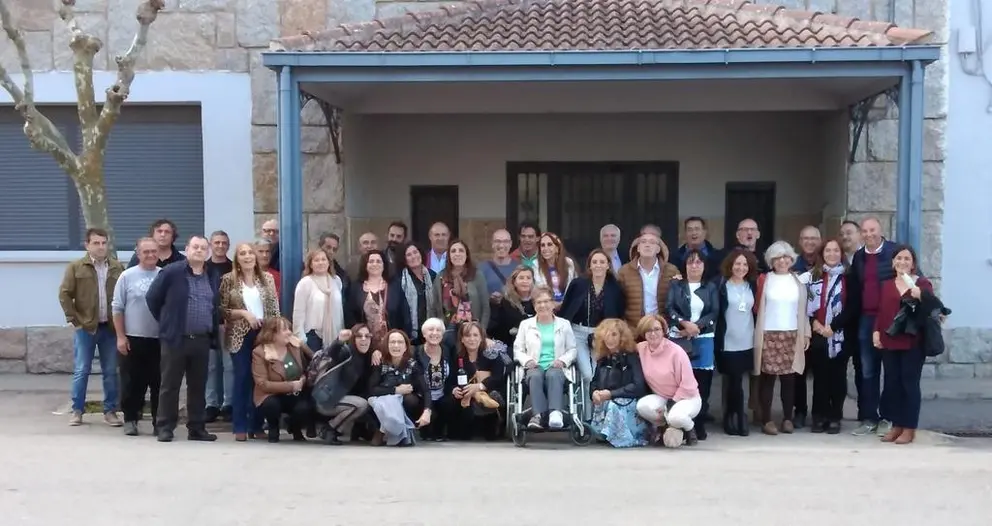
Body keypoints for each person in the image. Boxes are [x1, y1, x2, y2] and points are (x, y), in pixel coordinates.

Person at [144, 235, 220, 443]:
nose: (199, 250)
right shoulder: (172, 272)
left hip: (202, 340)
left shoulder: (211, 274)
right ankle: (165, 427)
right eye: (195, 247)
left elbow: (215, 305)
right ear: (187, 249)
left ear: (208, 252)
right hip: (176, 339)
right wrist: (167, 322)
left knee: (198, 386)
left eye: (204, 248)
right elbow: (152, 298)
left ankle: (197, 428)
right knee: (170, 385)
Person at [58, 228, 124, 427]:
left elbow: (123, 296)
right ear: (87, 245)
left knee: (111, 371)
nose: (101, 247)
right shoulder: (76, 267)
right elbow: (64, 294)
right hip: (86, 328)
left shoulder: (117, 267)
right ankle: (77, 410)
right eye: (96, 243)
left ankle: (110, 410)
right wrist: (74, 320)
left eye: (104, 243)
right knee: (82, 369)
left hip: (110, 328)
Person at [872, 245, 935, 445]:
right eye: (899, 258)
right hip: (890, 341)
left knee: (909, 385)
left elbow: (934, 308)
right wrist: (876, 332)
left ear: (913, 264)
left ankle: (909, 428)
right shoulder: (887, 285)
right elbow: (881, 312)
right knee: (892, 384)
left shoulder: (922, 284)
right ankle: (896, 425)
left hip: (912, 343)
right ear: (893, 262)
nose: (902, 262)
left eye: (907, 259)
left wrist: (921, 295)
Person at [219, 242, 280, 441]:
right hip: (239, 336)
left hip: (263, 335)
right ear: (237, 258)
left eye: (250, 253)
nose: (247, 257)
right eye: (242, 254)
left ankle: (256, 424)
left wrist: (274, 332)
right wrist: (243, 313)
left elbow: (274, 309)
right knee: (243, 378)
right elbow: (221, 310)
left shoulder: (267, 279)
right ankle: (240, 425)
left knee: (261, 381)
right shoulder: (228, 280)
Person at [753, 241, 812, 436]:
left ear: (791, 259)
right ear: (771, 260)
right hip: (769, 333)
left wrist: (805, 333)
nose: (782, 261)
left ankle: (787, 418)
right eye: (777, 257)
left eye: (786, 257)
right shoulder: (765, 279)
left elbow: (803, 311)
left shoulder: (798, 281)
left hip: (792, 333)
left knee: (789, 379)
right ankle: (767, 419)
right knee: (768, 378)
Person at [558, 249, 625, 420]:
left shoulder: (615, 288)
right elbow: (566, 308)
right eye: (595, 262)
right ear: (589, 264)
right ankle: (587, 418)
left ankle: (599, 417)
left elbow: (618, 313)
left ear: (608, 265)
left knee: (600, 375)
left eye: (602, 262)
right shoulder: (578, 284)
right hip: (578, 333)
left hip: (602, 334)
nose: (598, 265)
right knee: (587, 374)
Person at [666, 249, 719, 440]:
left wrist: (697, 326)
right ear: (685, 265)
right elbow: (669, 308)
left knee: (702, 383)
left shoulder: (711, 287)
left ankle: (699, 422)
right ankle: (679, 421)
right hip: (680, 337)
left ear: (704, 266)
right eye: (690, 262)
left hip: (704, 338)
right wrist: (684, 324)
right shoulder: (676, 285)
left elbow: (714, 311)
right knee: (679, 382)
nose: (694, 266)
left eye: (698, 262)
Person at [112, 237, 162, 436]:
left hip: (159, 339)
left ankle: (160, 421)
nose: (150, 255)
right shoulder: (127, 276)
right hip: (133, 338)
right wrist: (120, 337)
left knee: (159, 382)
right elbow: (117, 307)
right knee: (132, 382)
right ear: (138, 253)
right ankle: (131, 418)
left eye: (153, 251)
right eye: (145, 252)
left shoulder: (165, 275)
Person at [806, 239, 855, 434]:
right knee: (820, 379)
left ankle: (835, 416)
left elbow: (853, 307)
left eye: (836, 250)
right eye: (828, 250)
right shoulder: (814, 276)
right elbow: (806, 304)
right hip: (818, 333)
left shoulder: (849, 277)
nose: (832, 254)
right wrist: (814, 323)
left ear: (841, 254)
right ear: (822, 253)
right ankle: (819, 416)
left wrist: (833, 327)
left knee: (837, 378)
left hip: (840, 335)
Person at [512, 285, 577, 430]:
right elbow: (518, 349)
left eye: (546, 301)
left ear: (553, 303)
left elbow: (572, 349)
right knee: (534, 376)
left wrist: (562, 360)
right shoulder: (526, 325)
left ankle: (555, 413)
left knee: (553, 374)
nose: (543, 305)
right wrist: (527, 360)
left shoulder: (564, 324)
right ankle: (538, 416)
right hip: (535, 366)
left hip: (556, 366)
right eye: (538, 302)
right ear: (534, 306)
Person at [635, 314, 701, 448]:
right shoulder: (641, 349)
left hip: (687, 398)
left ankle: (690, 429)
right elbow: (623, 346)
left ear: (663, 331)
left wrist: (671, 404)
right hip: (663, 397)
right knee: (642, 406)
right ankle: (663, 427)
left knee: (675, 417)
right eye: (648, 330)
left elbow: (688, 384)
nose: (653, 334)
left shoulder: (676, 351)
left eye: (657, 329)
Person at [714, 248, 760, 436]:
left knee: (740, 379)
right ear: (730, 265)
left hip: (747, 339)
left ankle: (738, 416)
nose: (741, 267)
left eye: (744, 264)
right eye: (737, 264)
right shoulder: (721, 286)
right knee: (732, 380)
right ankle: (733, 417)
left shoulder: (753, 286)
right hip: (727, 340)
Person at [308, 324, 376, 445]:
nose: (364, 339)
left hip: (342, 399)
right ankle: (330, 428)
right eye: (359, 336)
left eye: (367, 336)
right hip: (326, 399)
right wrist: (339, 341)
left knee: (368, 401)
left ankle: (357, 430)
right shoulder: (347, 352)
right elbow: (332, 353)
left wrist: (377, 351)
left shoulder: (367, 356)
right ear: (353, 339)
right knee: (362, 404)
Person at [252, 316, 313, 443]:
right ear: (272, 334)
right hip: (271, 394)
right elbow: (262, 384)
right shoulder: (260, 352)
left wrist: (302, 380)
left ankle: (295, 428)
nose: (289, 332)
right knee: (271, 405)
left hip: (295, 393)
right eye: (284, 329)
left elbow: (313, 361)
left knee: (305, 407)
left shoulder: (295, 346)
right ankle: (273, 429)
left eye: (289, 329)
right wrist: (291, 386)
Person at [589, 319, 649, 448]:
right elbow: (594, 382)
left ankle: (624, 436)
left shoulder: (631, 357)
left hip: (629, 401)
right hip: (609, 398)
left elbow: (638, 386)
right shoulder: (603, 359)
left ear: (622, 337)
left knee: (613, 404)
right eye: (606, 335)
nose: (610, 339)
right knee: (605, 402)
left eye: (614, 334)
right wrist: (594, 392)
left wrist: (611, 394)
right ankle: (605, 434)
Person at [367, 330, 432, 446]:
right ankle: (385, 428)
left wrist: (427, 411)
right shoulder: (380, 363)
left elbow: (426, 390)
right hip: (384, 406)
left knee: (411, 400)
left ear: (406, 346)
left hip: (405, 406)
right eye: (392, 342)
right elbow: (371, 390)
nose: (396, 346)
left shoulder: (413, 365)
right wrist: (395, 390)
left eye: (400, 342)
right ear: (387, 345)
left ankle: (394, 430)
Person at [344, 250, 412, 353]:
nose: (375, 264)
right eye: (371, 261)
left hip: (391, 344)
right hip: (364, 344)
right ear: (365, 265)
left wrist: (403, 339)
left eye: (378, 261)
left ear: (384, 265)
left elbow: (405, 315)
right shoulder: (355, 287)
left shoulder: (395, 287)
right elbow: (349, 316)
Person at [448, 321, 505, 441]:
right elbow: (450, 378)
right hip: (464, 396)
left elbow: (498, 377)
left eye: (475, 335)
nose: (472, 339)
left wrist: (480, 386)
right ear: (462, 339)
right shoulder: (456, 356)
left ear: (481, 338)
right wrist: (454, 389)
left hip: (487, 394)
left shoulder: (491, 354)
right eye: (467, 336)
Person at [428, 239, 490, 331]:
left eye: (461, 250)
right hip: (447, 330)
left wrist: (482, 331)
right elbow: (433, 307)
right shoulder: (441, 276)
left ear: (467, 255)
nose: (457, 254)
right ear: (449, 256)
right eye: (453, 251)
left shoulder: (477, 275)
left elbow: (485, 307)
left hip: (471, 332)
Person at [292, 249, 345, 352]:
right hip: (313, 337)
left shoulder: (336, 281)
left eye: (323, 259)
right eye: (316, 260)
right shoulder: (305, 283)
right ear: (311, 264)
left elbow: (339, 310)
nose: (320, 262)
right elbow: (298, 312)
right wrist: (301, 339)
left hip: (334, 335)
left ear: (329, 262)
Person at [414, 318, 455, 441]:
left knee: (450, 402)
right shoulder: (416, 352)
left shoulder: (447, 350)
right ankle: (423, 429)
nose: (435, 333)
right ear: (424, 334)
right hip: (423, 396)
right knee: (413, 401)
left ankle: (440, 430)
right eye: (430, 330)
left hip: (442, 396)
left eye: (438, 330)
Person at [394, 241, 437, 345]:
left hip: (431, 331)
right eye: (409, 255)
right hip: (409, 334)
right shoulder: (399, 280)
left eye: (415, 252)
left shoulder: (433, 275)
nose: (414, 256)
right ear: (404, 259)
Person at [488, 266, 536, 348]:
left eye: (528, 278)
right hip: (511, 346)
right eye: (521, 278)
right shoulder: (505, 303)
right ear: (514, 282)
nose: (525, 281)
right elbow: (496, 329)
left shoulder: (539, 301)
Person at [533, 232, 577, 305]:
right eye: (542, 245)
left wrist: (563, 304)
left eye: (549, 244)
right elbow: (538, 291)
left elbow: (574, 289)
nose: (545, 248)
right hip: (545, 306)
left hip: (567, 306)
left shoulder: (569, 263)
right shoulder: (535, 265)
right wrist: (553, 304)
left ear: (557, 248)